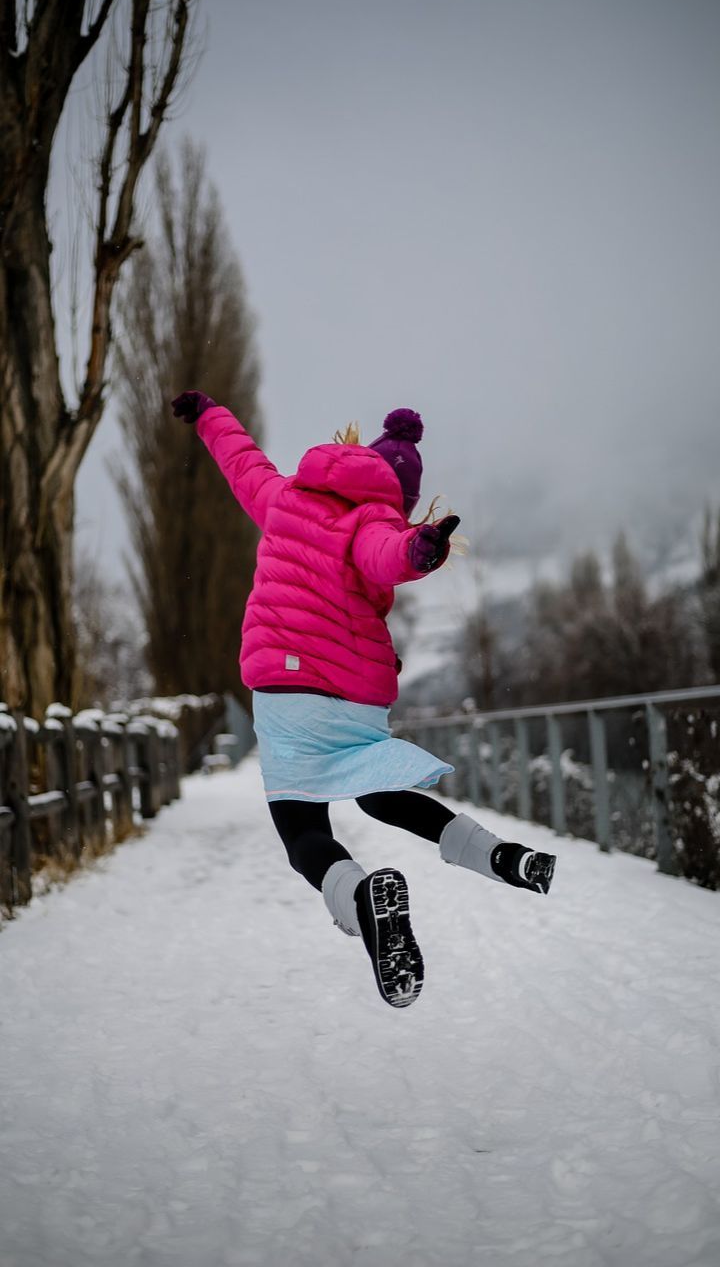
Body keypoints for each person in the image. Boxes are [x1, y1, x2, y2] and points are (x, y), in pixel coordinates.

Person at [171, 391, 556, 1009]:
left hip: (286, 693)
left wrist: (209, 413)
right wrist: (419, 550)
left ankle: (363, 903)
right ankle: (500, 856)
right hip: (354, 699)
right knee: (381, 795)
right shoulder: (374, 521)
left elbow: (243, 462)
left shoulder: (286, 496)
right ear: (396, 498)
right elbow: (387, 555)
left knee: (302, 830)